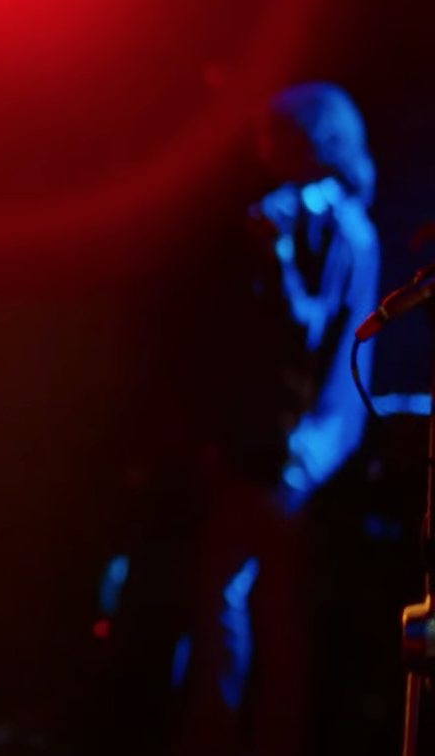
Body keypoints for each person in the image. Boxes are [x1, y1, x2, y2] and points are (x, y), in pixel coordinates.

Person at [88, 81, 379, 756]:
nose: (264, 154)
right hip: (278, 447)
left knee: (241, 607)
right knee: (251, 607)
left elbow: (308, 333)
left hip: (298, 451)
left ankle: (221, 740)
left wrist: (278, 256)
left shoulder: (339, 227)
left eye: (276, 140)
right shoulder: (319, 218)